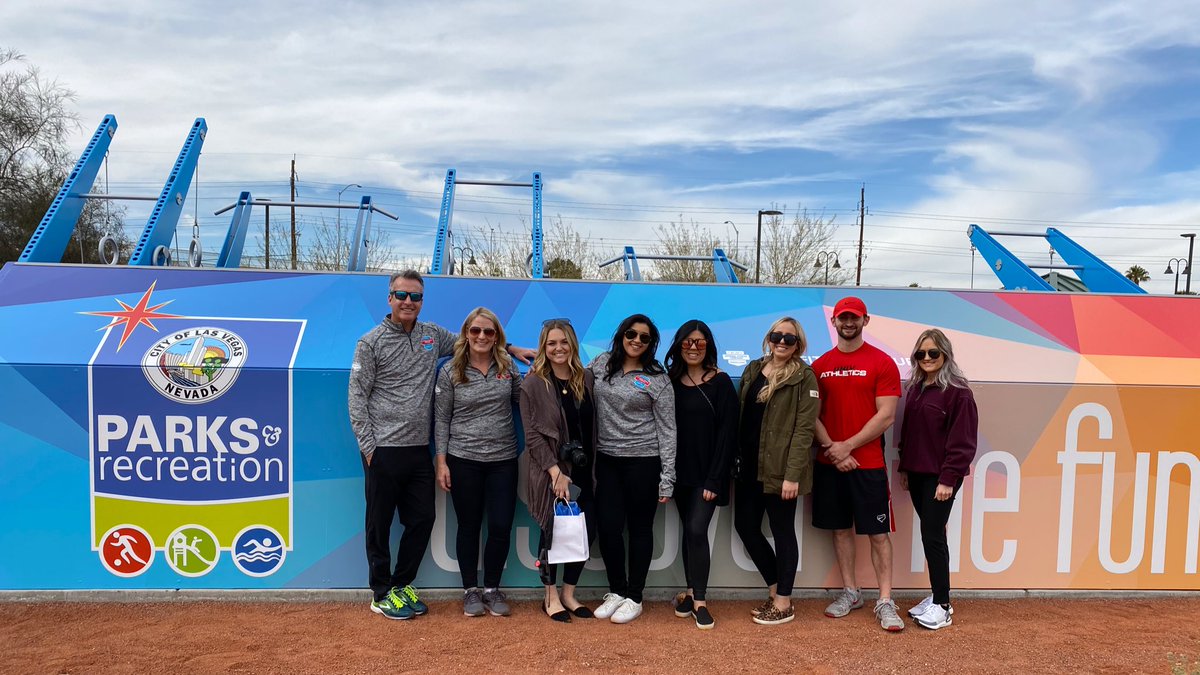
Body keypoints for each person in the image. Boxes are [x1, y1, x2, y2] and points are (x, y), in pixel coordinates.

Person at [348, 270, 534, 621]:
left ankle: (402, 585)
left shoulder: (431, 336)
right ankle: (381, 592)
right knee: (379, 523)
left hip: (419, 449)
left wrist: (511, 348)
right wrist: (369, 447)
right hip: (383, 449)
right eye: (402, 295)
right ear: (389, 298)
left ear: (422, 301)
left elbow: (473, 341)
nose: (408, 302)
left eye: (415, 297)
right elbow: (356, 397)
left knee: (422, 520)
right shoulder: (369, 342)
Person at [811, 296, 904, 631]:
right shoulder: (819, 366)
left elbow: (887, 415)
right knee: (840, 529)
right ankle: (851, 592)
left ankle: (885, 600)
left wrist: (846, 446)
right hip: (829, 463)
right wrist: (831, 449)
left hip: (867, 464)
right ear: (834, 322)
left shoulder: (882, 363)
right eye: (842, 318)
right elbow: (812, 414)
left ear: (866, 321)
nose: (848, 323)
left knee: (878, 533)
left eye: (854, 318)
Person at [434, 307, 523, 617]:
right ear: (466, 334)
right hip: (463, 460)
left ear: (497, 336)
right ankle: (470, 590)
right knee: (469, 526)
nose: (482, 337)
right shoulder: (450, 371)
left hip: (503, 461)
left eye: (488, 331)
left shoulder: (508, 366)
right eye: (475, 331)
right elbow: (441, 418)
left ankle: (492, 589)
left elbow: (522, 400)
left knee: (500, 526)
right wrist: (442, 462)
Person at [589, 314, 677, 624]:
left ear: (651, 343)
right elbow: (569, 376)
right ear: (621, 335)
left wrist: (668, 478)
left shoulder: (658, 378)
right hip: (608, 460)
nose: (636, 340)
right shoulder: (600, 364)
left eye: (644, 337)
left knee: (640, 530)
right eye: (631, 334)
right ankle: (617, 591)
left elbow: (668, 430)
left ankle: (635, 597)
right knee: (610, 528)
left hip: (644, 461)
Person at [734, 317, 821, 626]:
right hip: (748, 468)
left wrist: (792, 475)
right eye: (777, 335)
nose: (782, 342)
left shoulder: (804, 377)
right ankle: (775, 589)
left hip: (781, 471)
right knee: (745, 526)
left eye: (790, 338)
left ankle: (783, 601)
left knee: (783, 532)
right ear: (768, 338)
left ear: (799, 345)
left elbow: (804, 430)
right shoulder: (754, 369)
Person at [898, 328, 978, 630]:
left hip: (940, 478)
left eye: (933, 353)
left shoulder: (959, 392)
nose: (927, 358)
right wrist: (904, 467)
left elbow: (963, 442)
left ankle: (943, 605)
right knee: (932, 534)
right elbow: (909, 433)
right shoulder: (917, 389)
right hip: (917, 474)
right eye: (921, 354)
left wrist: (947, 479)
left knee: (932, 536)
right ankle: (935, 595)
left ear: (945, 354)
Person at [520, 319, 598, 623]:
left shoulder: (587, 378)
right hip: (552, 472)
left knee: (584, 533)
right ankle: (550, 597)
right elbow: (533, 436)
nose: (558, 348)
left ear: (573, 344)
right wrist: (555, 472)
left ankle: (569, 593)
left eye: (563, 342)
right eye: (551, 343)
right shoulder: (534, 383)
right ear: (543, 347)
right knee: (552, 534)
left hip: (586, 470)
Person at [664, 319, 737, 630]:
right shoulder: (668, 381)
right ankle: (691, 593)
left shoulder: (720, 383)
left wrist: (715, 479)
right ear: (679, 345)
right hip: (679, 473)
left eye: (700, 342)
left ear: (708, 346)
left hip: (709, 474)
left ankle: (701, 602)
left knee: (696, 530)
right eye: (687, 342)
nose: (693, 347)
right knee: (687, 530)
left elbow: (728, 434)